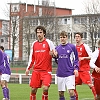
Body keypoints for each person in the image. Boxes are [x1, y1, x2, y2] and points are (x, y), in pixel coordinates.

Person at [25, 25, 55, 100]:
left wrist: (54, 55)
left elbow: (55, 54)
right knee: (33, 90)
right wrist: (28, 68)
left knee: (45, 88)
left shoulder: (49, 42)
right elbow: (32, 57)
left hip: (46, 71)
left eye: (40, 32)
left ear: (44, 33)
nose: (39, 34)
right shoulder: (34, 44)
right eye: (37, 32)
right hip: (36, 71)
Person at [54, 31, 79, 100]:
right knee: (61, 93)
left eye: (64, 37)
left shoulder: (72, 47)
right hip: (60, 73)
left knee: (71, 91)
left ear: (67, 38)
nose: (62, 39)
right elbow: (57, 61)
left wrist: (76, 69)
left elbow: (76, 59)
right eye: (61, 37)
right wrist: (55, 56)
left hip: (70, 73)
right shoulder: (57, 48)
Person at [74, 32, 96, 100]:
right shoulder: (74, 47)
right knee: (72, 86)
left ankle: (96, 97)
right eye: (76, 36)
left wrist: (84, 58)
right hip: (77, 70)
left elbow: (91, 57)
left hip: (84, 70)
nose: (77, 38)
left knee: (90, 85)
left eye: (78, 36)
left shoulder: (85, 46)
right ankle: (75, 98)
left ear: (81, 38)